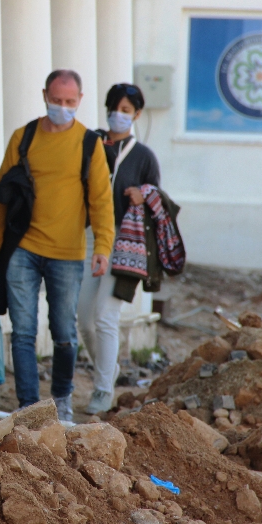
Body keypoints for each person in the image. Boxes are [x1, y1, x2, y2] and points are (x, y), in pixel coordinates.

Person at [0, 69, 114, 422]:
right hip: (22, 248)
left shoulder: (89, 143)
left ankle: (62, 399)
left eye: (70, 102)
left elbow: (101, 200)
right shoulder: (23, 137)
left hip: (68, 255)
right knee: (23, 331)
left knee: (64, 332)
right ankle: (27, 405)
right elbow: (2, 197)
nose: (63, 107)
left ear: (80, 101)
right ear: (44, 96)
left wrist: (102, 246)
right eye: (56, 100)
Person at [77, 83, 161, 415]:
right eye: (116, 108)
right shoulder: (92, 142)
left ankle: (102, 390)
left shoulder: (144, 156)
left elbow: (159, 202)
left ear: (137, 115)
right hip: (87, 238)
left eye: (127, 110)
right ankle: (106, 370)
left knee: (105, 317)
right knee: (84, 318)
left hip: (124, 244)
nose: (119, 114)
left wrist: (145, 194)